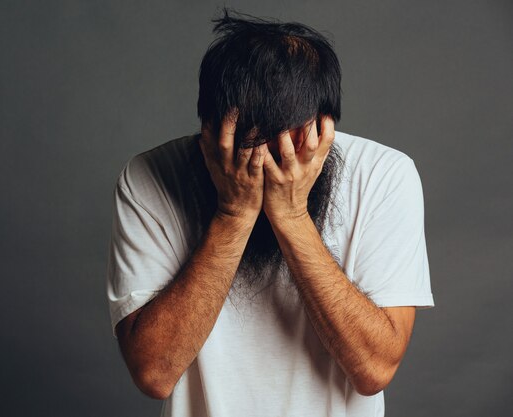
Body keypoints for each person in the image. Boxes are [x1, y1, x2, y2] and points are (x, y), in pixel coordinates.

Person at [106, 9, 434, 417]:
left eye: (286, 146)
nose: (263, 164)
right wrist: (233, 214)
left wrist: (293, 218)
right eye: (245, 144)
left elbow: (374, 369)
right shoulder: (148, 177)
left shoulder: (385, 175)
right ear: (208, 132)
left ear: (322, 127)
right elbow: (154, 374)